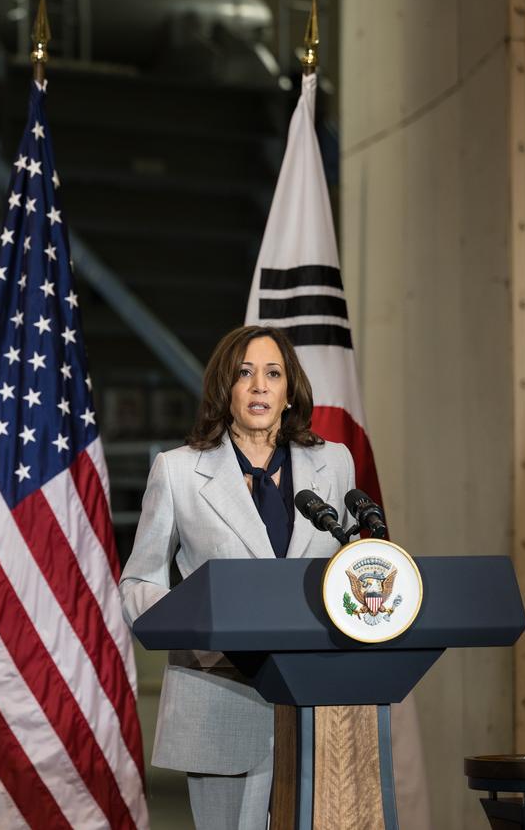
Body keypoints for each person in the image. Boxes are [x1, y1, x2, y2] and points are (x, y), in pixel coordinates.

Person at [119, 325, 355, 830]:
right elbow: (139, 582)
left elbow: (348, 567)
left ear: (290, 390)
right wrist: (193, 630)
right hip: (220, 696)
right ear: (225, 388)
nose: (259, 387)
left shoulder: (333, 465)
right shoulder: (178, 471)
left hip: (317, 703)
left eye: (273, 374)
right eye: (244, 374)